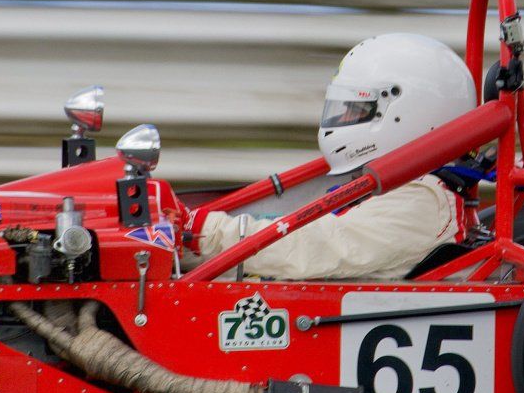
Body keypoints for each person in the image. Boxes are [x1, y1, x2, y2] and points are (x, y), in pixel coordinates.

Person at [192, 33, 474, 280]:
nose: (343, 118)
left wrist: (206, 232)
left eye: (355, 109)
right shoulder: (394, 189)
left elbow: (314, 246)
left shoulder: (420, 202)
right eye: (342, 107)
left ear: (410, 114)